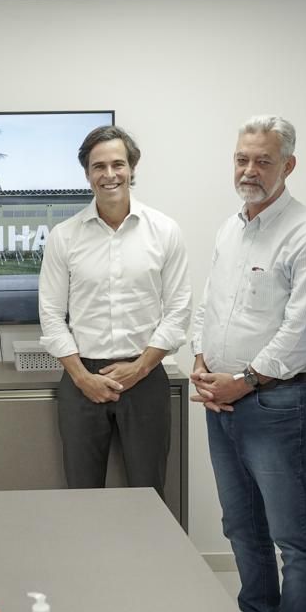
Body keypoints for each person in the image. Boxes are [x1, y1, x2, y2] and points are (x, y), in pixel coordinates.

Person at [191, 115, 306, 612]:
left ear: (288, 165)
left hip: (277, 405)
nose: (249, 170)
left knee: (292, 536)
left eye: (263, 160)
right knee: (241, 527)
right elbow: (208, 303)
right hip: (221, 402)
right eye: (242, 158)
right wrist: (200, 360)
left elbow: (304, 331)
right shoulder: (230, 227)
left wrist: (245, 379)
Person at [38, 125, 191, 496]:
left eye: (118, 164)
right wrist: (81, 376)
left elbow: (179, 310)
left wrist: (140, 368)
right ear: (87, 174)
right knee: (83, 494)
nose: (109, 175)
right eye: (99, 166)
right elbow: (51, 315)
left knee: (148, 495)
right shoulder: (65, 236)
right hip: (81, 379)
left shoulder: (164, 231)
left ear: (132, 169)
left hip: (146, 375)